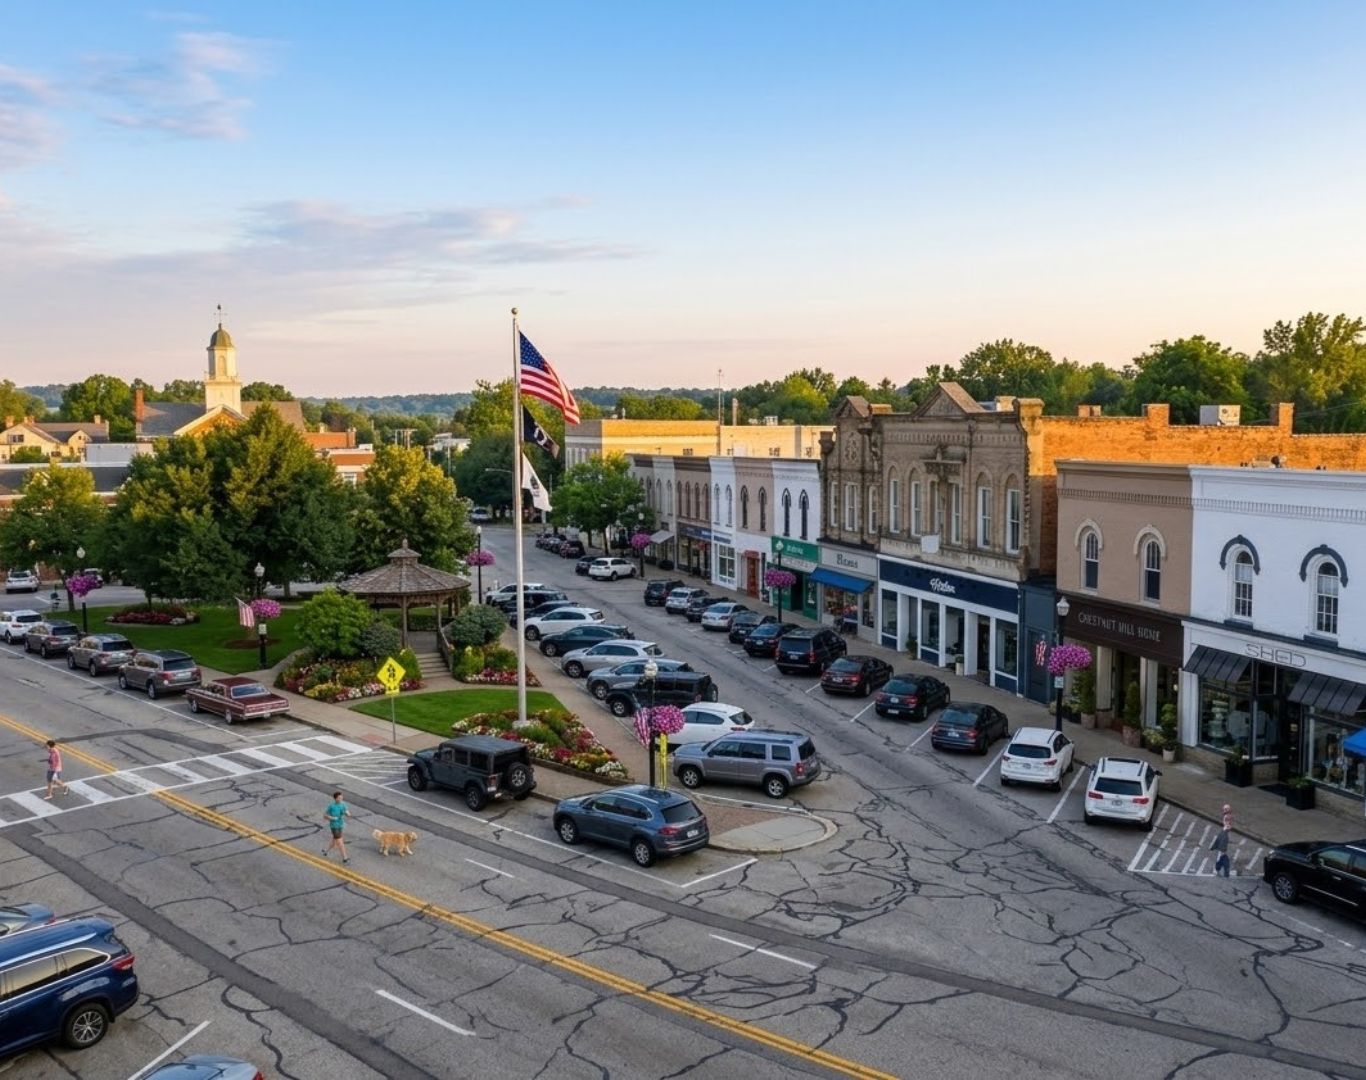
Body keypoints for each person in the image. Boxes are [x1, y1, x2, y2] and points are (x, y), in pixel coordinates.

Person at [322, 791, 350, 864]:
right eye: (339, 797)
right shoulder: (331, 806)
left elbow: (348, 813)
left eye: (341, 797)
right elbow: (325, 815)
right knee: (340, 842)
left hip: (340, 825)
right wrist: (332, 818)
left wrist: (347, 813)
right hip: (334, 826)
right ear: (335, 799)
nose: (341, 798)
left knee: (334, 840)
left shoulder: (343, 804)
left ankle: (326, 851)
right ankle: (345, 858)